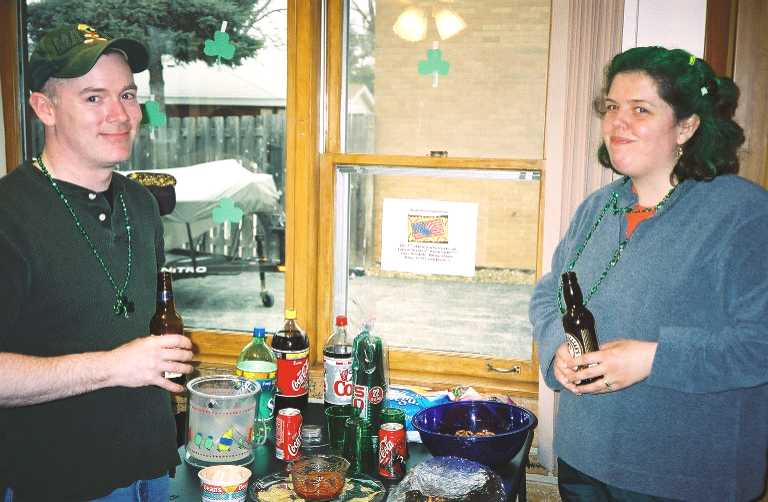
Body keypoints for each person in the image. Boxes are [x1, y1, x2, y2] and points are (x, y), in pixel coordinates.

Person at [530, 46, 768, 501]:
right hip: (583, 456)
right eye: (611, 107)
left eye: (640, 109)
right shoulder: (598, 207)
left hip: (684, 476)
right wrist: (556, 346)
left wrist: (654, 359)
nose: (618, 122)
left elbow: (760, 344)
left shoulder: (745, 214)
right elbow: (549, 293)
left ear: (687, 126)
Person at [0, 24, 194, 501]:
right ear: (45, 108)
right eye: (94, 98)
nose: (120, 114)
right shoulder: (9, 214)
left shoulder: (141, 204)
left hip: (153, 468)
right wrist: (113, 366)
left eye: (127, 94)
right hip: (59, 483)